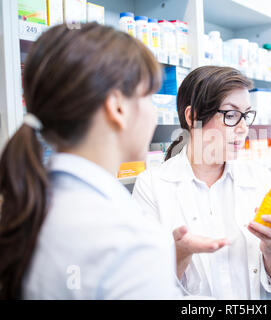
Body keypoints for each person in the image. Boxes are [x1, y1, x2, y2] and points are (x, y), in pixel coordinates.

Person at [0, 23, 182, 299]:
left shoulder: (25, 204)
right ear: (117, 107)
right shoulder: (132, 238)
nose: (154, 112)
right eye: (149, 97)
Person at [132, 66, 271, 299]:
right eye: (231, 115)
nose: (244, 128)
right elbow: (144, 289)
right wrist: (181, 253)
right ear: (192, 116)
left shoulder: (261, 180)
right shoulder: (153, 185)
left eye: (246, 115)